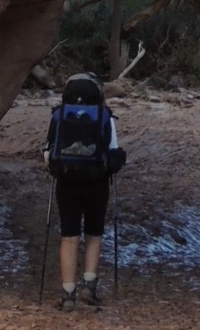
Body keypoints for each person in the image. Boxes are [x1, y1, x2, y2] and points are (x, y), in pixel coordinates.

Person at [44, 72, 126, 313]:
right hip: (96, 182)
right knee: (93, 233)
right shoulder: (105, 117)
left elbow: (48, 153)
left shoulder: (59, 116)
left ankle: (68, 295)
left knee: (69, 236)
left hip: (67, 181)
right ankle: (89, 288)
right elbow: (113, 154)